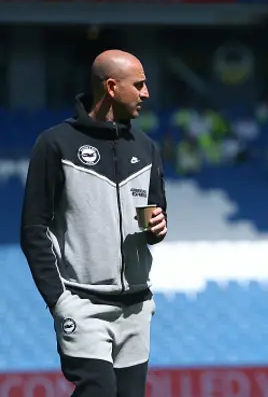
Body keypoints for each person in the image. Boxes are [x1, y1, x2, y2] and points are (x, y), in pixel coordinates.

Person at [20, 49, 167, 397]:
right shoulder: (55, 144)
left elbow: (155, 216)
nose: (146, 93)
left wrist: (157, 228)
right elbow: (33, 229)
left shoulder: (147, 148)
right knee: (97, 390)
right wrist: (59, 300)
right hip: (82, 305)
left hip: (136, 307)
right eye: (140, 85)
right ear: (112, 88)